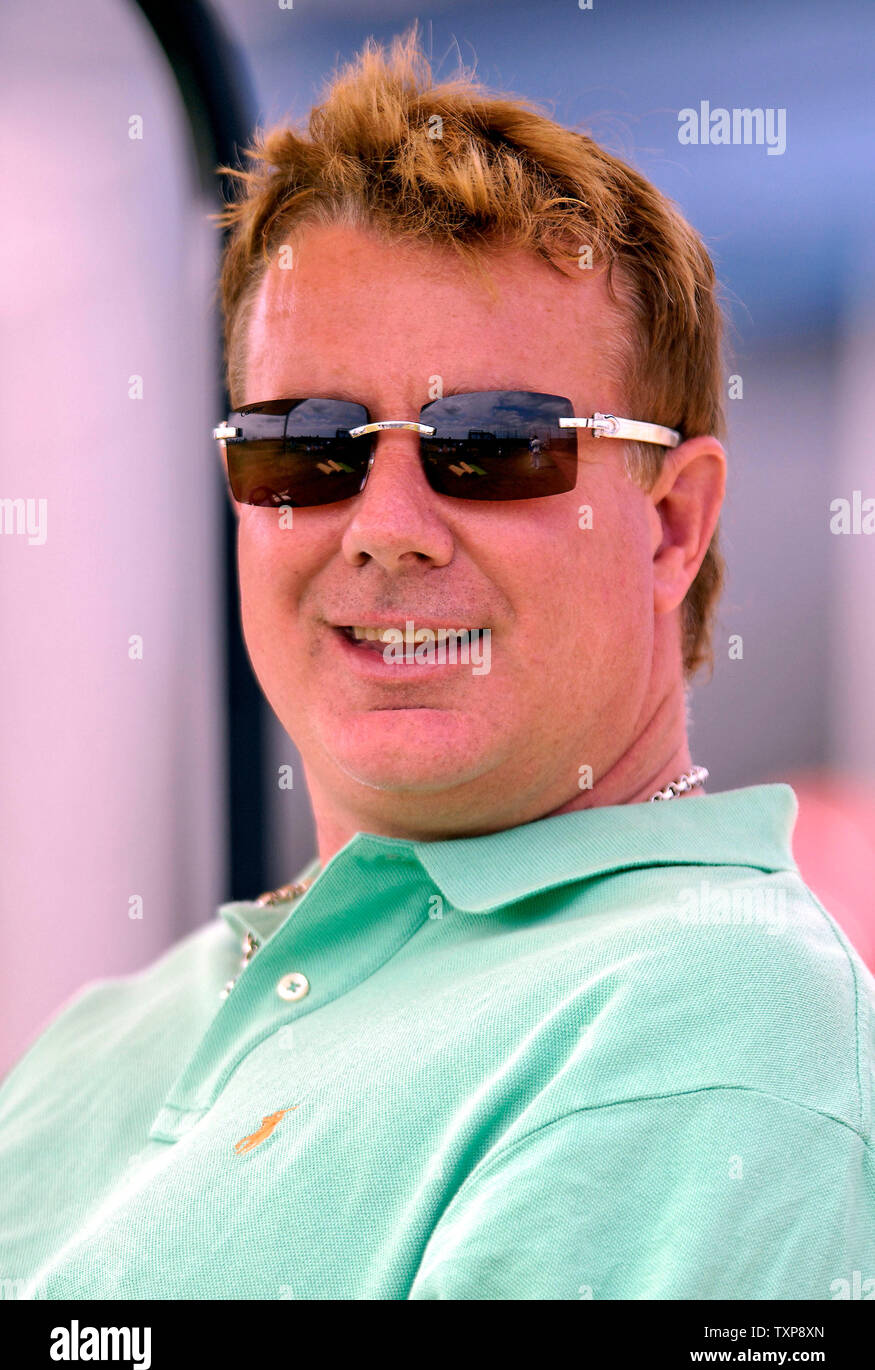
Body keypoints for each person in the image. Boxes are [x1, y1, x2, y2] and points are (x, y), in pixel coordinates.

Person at [1, 29, 872, 1301]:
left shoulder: (705, 1013)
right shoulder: (104, 1036)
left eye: (494, 444)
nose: (387, 525)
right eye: (302, 445)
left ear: (671, 524)